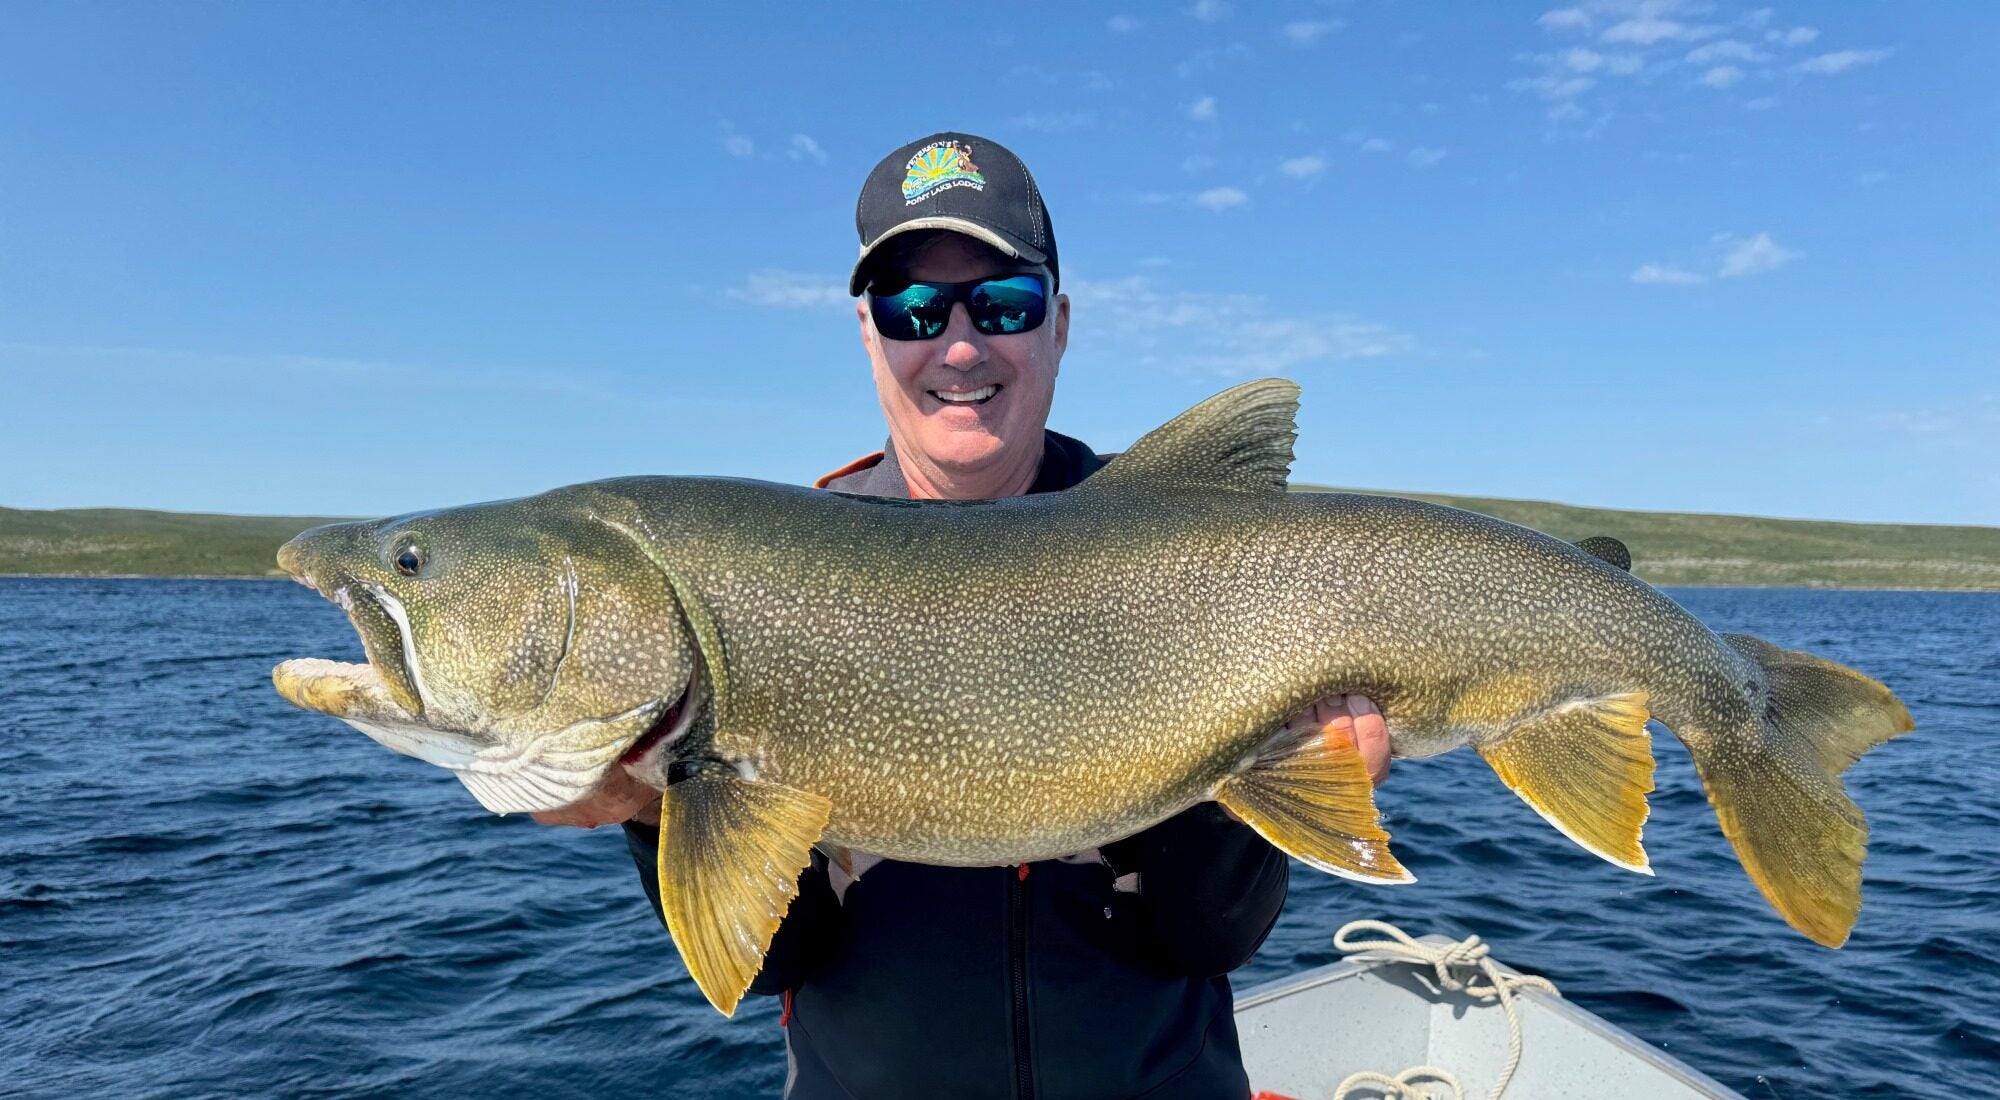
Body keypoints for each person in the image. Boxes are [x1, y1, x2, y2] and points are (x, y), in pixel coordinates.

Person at [533, 132, 1390, 1099]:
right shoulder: (772, 572)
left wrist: (1278, 779)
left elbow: (1206, 939)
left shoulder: (1189, 543)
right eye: (911, 308)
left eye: (1004, 303)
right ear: (870, 336)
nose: (960, 343)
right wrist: (656, 804)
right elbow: (777, 963)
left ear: (1057, 325)